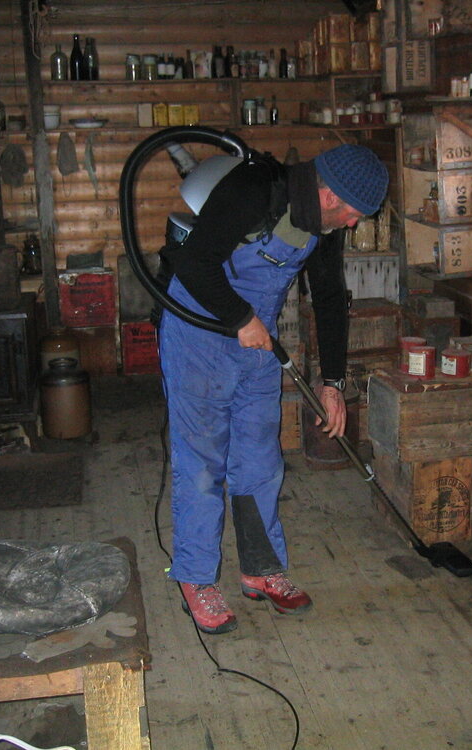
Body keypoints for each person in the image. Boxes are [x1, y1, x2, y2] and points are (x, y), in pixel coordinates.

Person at [158, 144, 389, 634]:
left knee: (261, 456)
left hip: (256, 341)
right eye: (351, 214)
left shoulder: (322, 225)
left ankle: (261, 569)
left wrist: (333, 384)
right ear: (328, 195)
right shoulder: (252, 191)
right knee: (203, 463)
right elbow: (193, 263)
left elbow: (327, 298)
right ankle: (196, 578)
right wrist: (240, 318)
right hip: (199, 330)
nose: (351, 224)